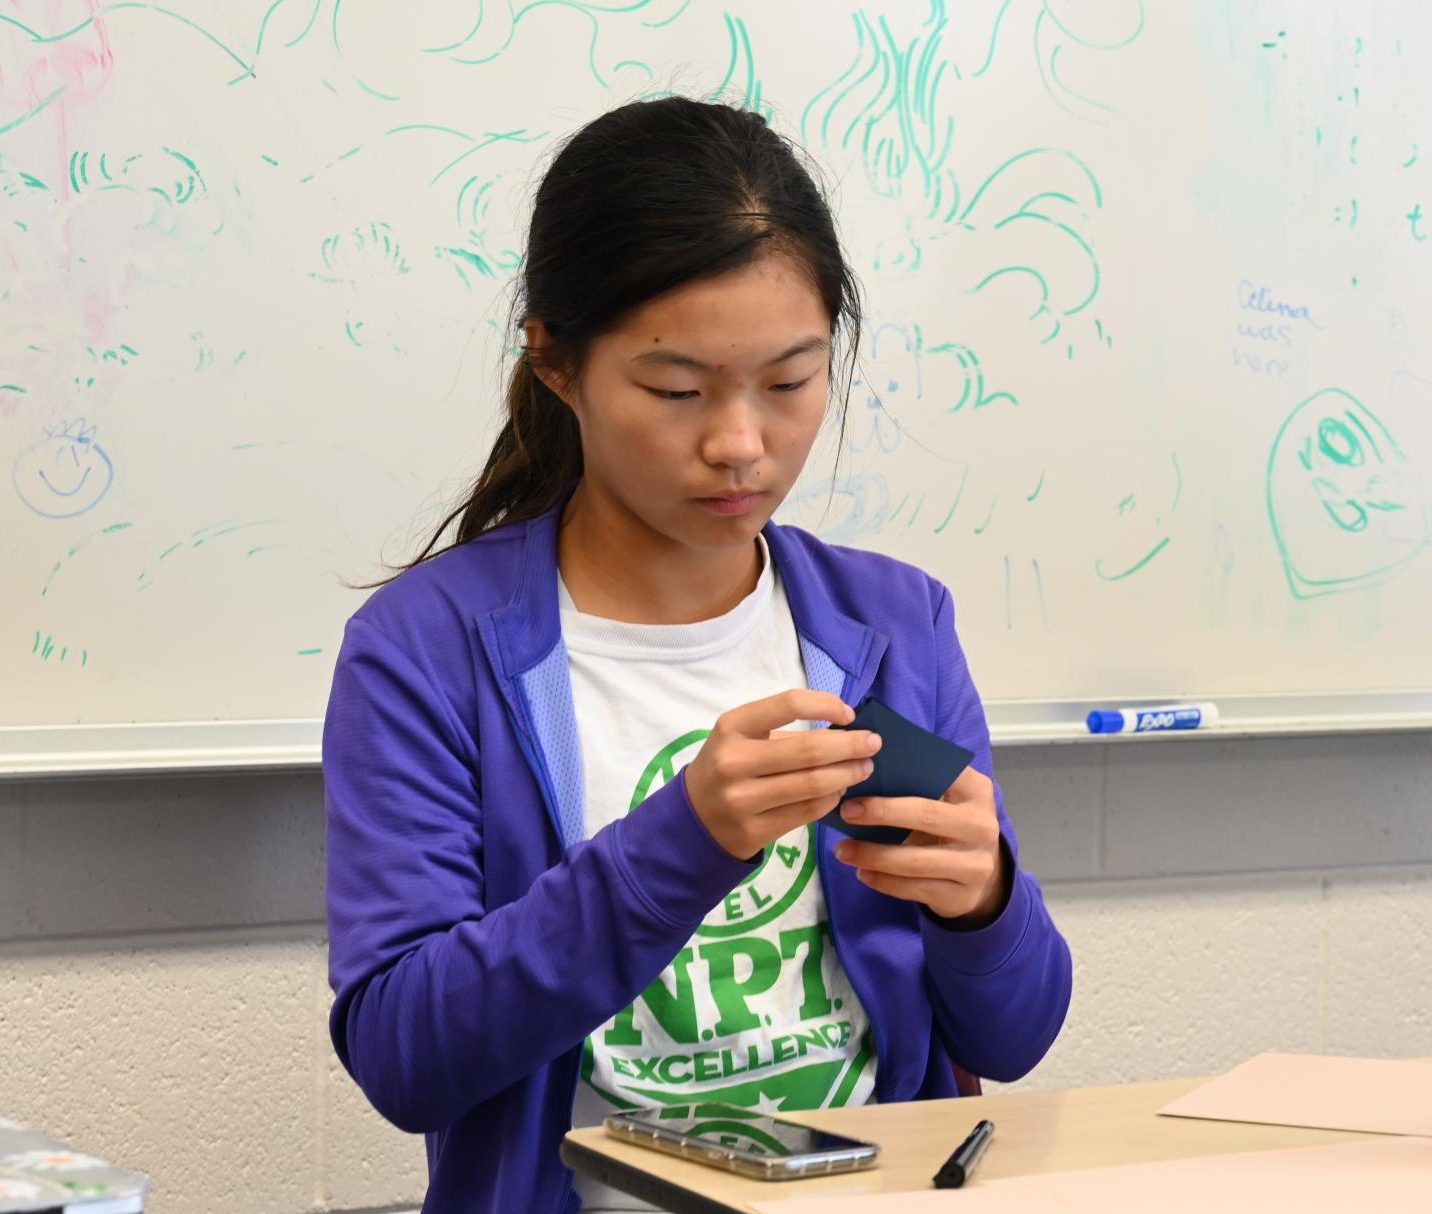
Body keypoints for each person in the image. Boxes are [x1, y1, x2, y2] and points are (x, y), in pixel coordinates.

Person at [322, 97, 1072, 1213]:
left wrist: (987, 903)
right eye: (675, 390)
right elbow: (404, 1055)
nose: (740, 442)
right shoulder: (428, 650)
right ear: (557, 363)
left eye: (790, 381)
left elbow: (1014, 1033)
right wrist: (680, 840)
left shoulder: (894, 624)